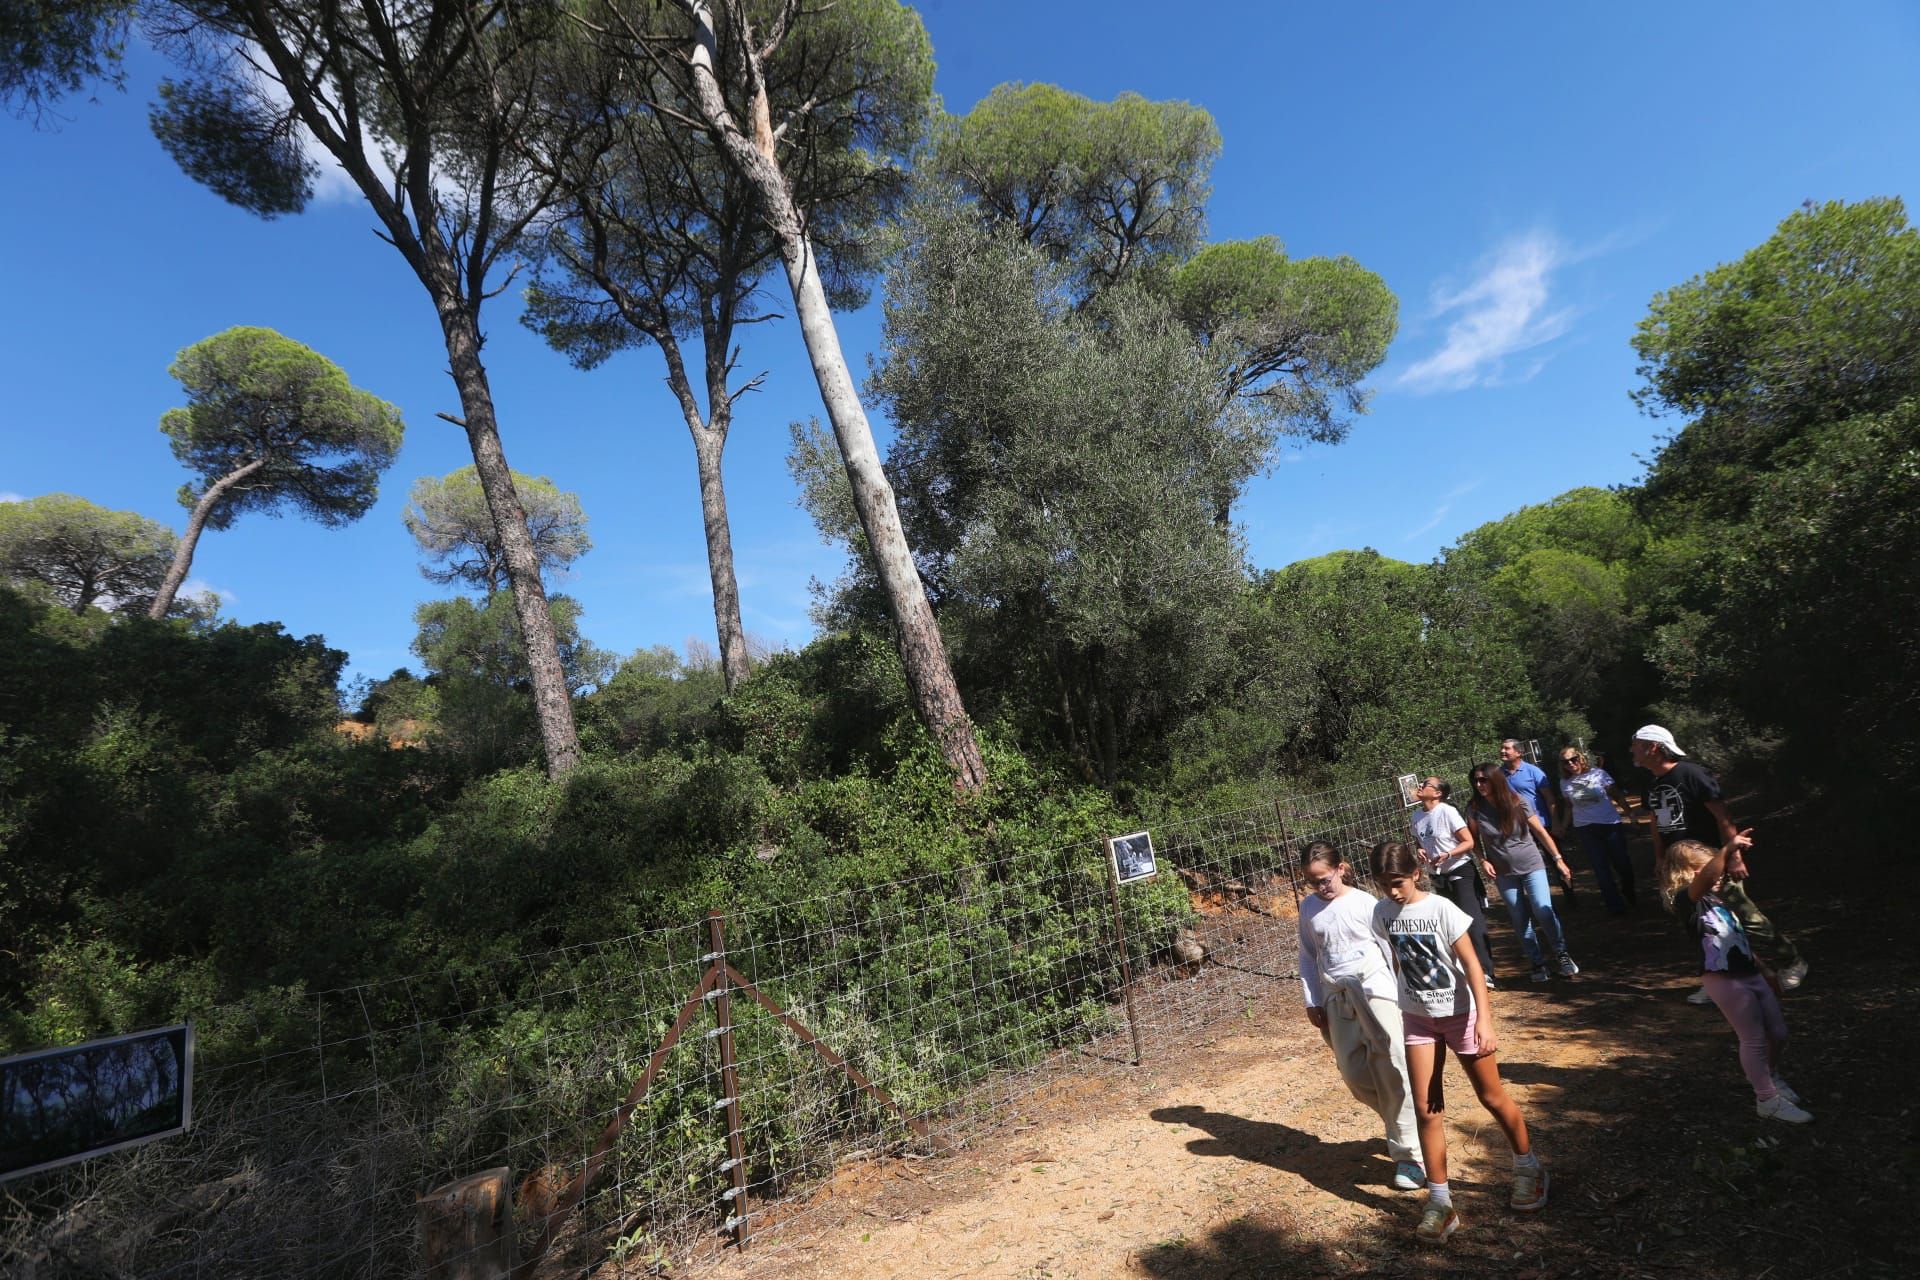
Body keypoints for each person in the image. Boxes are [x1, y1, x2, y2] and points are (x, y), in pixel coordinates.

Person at [1370, 841, 1549, 1245]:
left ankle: (1529, 1168)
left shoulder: (1441, 910)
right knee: (1426, 1109)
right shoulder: (1382, 913)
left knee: (1491, 1096)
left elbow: (1472, 964)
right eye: (1384, 885)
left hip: (1462, 1017)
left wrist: (1484, 1020)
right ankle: (1440, 1202)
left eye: (1397, 882)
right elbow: (1399, 961)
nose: (1392, 892)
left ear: (1415, 872)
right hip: (1418, 1020)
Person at [1629, 725, 1808, 1001]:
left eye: (1637, 744)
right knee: (1706, 924)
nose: (1632, 750)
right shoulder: (1652, 783)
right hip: (1680, 867)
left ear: (1653, 747)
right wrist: (1659, 857)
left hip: (1710, 859)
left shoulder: (1691, 774)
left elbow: (1723, 816)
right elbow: (1655, 821)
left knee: (1745, 915)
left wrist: (1733, 855)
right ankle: (1721, 978)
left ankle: (1792, 961)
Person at [1657, 831, 1812, 1124]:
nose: (1718, 874)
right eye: (1707, 869)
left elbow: (1734, 938)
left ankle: (1770, 1076)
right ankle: (1766, 1100)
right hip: (1722, 978)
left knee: (1778, 1033)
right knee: (1753, 1038)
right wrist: (1728, 848)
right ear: (1687, 874)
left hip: (1749, 972)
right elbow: (1704, 880)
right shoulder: (1686, 901)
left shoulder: (1718, 899)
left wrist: (1765, 970)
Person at [1295, 842, 1425, 1191]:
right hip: (1336, 996)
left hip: (1375, 990)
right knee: (1354, 1074)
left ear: (1341, 868)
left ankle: (1410, 1156)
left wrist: (1404, 992)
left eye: (1325, 877)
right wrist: (1313, 1000)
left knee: (1393, 1064)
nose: (1321, 886)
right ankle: (1402, 1123)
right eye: (1313, 881)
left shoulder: (1366, 903)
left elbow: (1389, 949)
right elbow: (1309, 955)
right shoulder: (1309, 908)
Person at [1467, 763, 1580, 983]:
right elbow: (1472, 840)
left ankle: (1562, 953)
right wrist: (1483, 861)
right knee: (1519, 917)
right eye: (1476, 781)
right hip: (1503, 871)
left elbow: (1540, 832)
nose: (1479, 784)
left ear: (1495, 780)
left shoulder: (1518, 802)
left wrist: (1558, 859)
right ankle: (1537, 961)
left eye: (1484, 780)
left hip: (1531, 864)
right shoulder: (1474, 808)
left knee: (1542, 909)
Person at [1409, 777, 1496, 983]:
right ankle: (1462, 970)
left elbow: (1468, 841)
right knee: (1450, 923)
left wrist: (1448, 854)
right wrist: (1420, 850)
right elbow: (1418, 840)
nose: (1420, 786)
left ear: (1438, 793)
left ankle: (1486, 971)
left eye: (1426, 784)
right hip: (1437, 874)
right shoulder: (1416, 815)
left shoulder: (1447, 811)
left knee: (1470, 919)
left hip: (1460, 870)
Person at [1556, 745, 1638, 915]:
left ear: (1581, 758)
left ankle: (1629, 893)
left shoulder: (1598, 774)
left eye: (1573, 759)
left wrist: (1631, 815)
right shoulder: (1565, 782)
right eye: (1566, 762)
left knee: (1622, 864)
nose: (1570, 764)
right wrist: (1563, 825)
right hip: (1586, 828)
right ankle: (1615, 907)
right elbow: (1569, 806)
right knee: (1601, 868)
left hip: (1610, 824)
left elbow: (1617, 795)